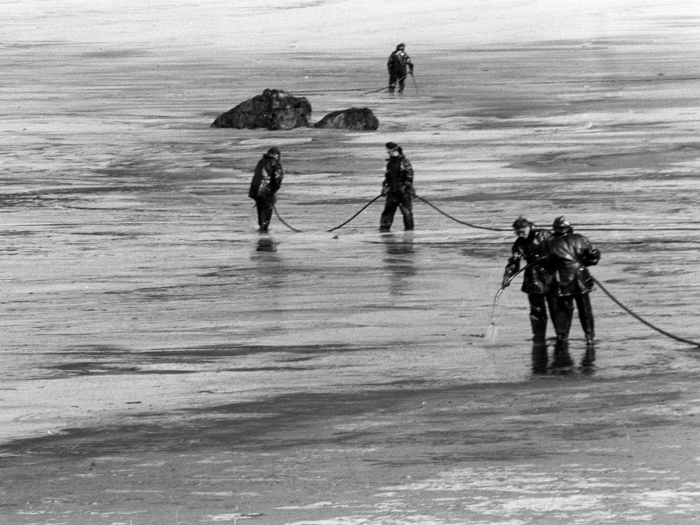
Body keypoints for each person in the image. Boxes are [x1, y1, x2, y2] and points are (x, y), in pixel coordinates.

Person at [501, 217, 557, 373]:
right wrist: (507, 276)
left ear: (529, 227)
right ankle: (539, 337)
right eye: (518, 231)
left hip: (550, 274)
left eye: (523, 229)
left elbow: (558, 248)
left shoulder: (544, 235)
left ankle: (561, 336)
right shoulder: (518, 244)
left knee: (555, 307)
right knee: (537, 309)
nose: (521, 233)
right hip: (533, 278)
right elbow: (514, 262)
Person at [548, 216, 601, 370]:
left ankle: (563, 338)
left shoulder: (551, 242)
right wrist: (583, 263)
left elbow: (549, 262)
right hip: (581, 277)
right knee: (585, 309)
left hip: (562, 279)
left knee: (565, 311)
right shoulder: (581, 239)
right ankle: (589, 337)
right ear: (569, 228)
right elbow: (594, 256)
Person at [380, 142, 414, 232]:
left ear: (393, 150)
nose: (387, 151)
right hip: (392, 191)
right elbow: (387, 178)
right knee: (388, 211)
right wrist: (384, 187)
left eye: (388, 150)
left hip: (404, 193)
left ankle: (409, 231)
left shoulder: (405, 162)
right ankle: (384, 229)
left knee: (406, 212)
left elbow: (409, 177)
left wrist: (403, 187)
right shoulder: (390, 163)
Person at [248, 147, 284, 232]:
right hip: (265, 190)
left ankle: (262, 226)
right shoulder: (274, 163)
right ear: (276, 156)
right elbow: (277, 178)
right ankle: (263, 228)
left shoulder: (261, 161)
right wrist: (273, 192)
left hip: (255, 190)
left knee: (261, 207)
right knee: (267, 207)